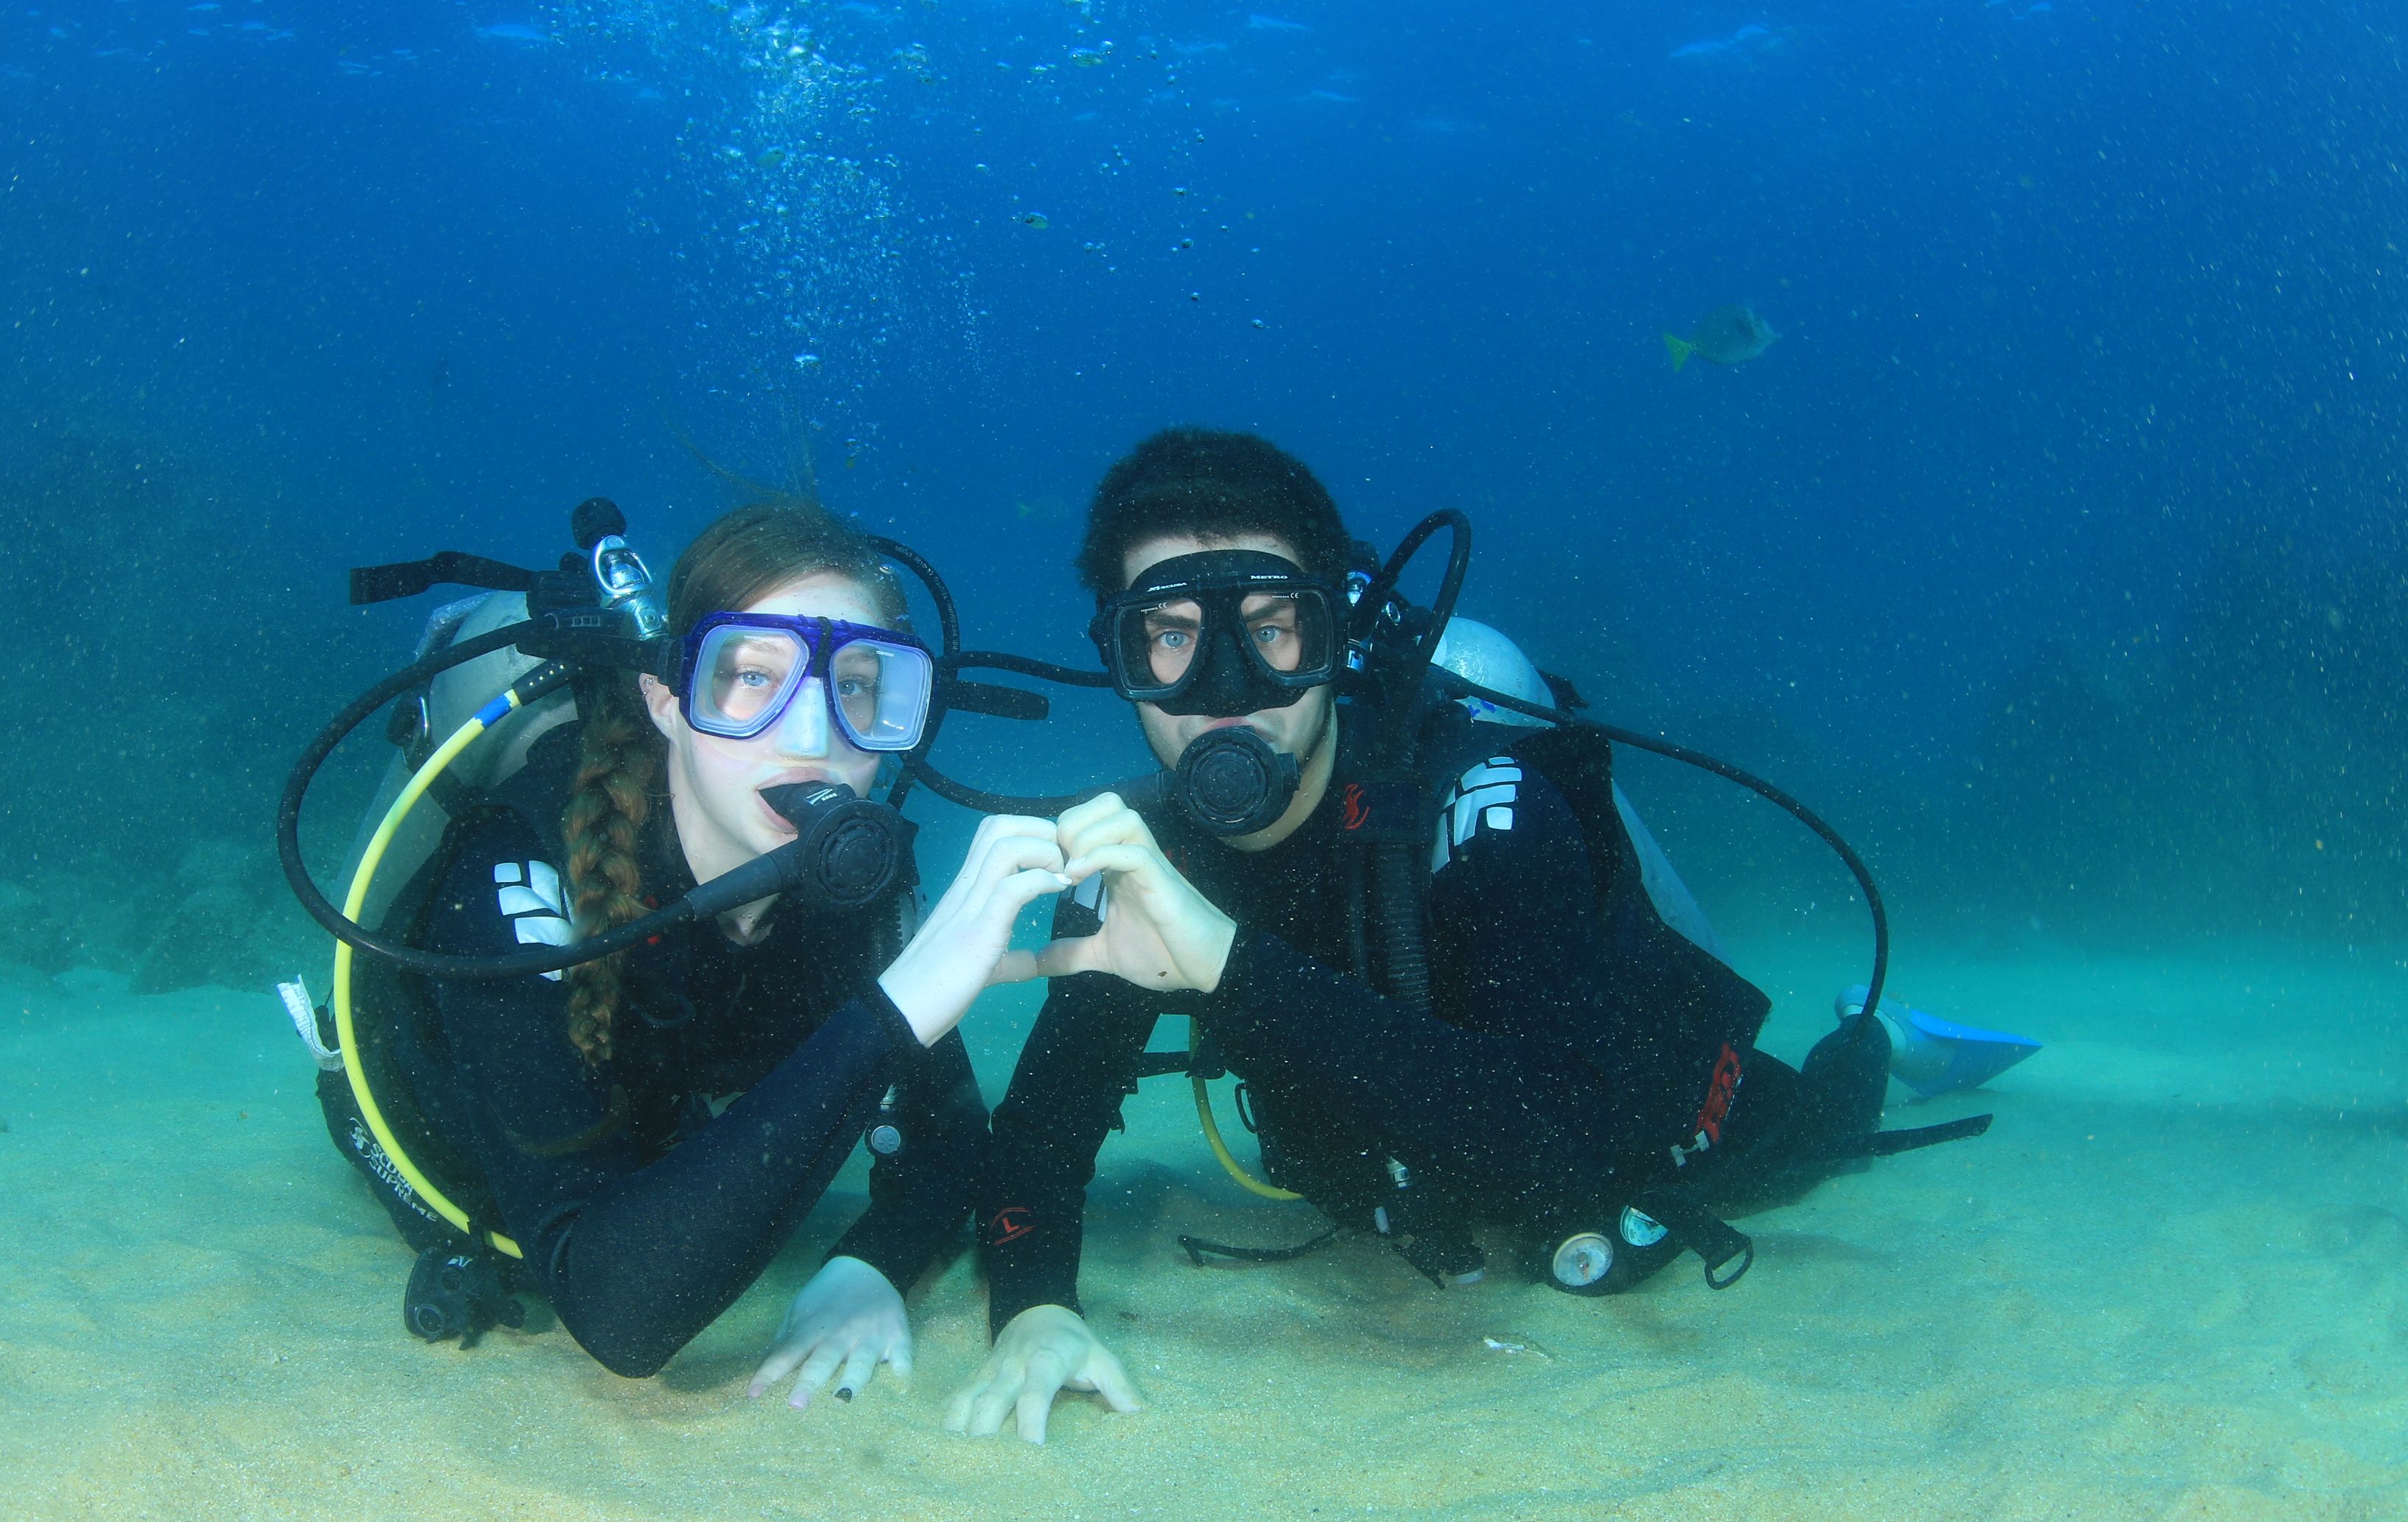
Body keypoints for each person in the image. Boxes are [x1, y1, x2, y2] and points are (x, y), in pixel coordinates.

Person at [942, 429, 2015, 1443]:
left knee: (1820, 1129)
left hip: (1654, 1100)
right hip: (1409, 1169)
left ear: (1337, 636)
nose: (1224, 691)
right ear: (1115, 658)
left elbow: (1563, 1145)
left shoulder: (1483, 800)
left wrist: (1227, 959)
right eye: (1169, 639)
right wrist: (1034, 1308)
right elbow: (1043, 1130)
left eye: (1272, 628)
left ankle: (1879, 1037)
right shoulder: (1140, 860)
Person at [313, 501, 1072, 1402]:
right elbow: (618, 1313)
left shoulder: (847, 890)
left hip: (663, 1151)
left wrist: (870, 1261)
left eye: (860, 686)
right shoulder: (519, 863)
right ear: (668, 698)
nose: (811, 733)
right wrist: (897, 1007)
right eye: (753, 676)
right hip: (453, 1160)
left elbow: (946, 1144)